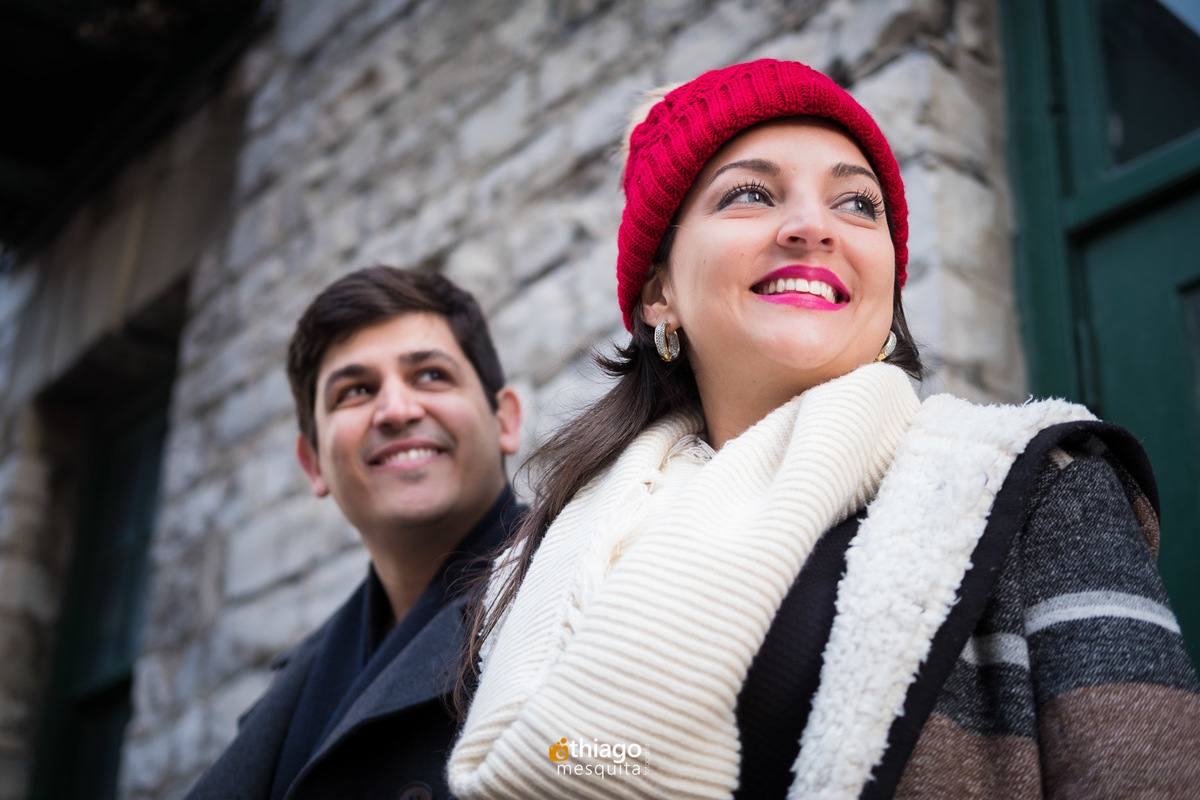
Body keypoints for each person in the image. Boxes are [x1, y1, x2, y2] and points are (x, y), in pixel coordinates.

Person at [446, 60, 1200, 799]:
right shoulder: (543, 559)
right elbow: (569, 756)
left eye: (857, 204)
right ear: (657, 291)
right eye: (750, 194)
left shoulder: (1036, 489)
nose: (813, 227)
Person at [187, 266, 523, 800]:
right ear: (313, 462)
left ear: (505, 419)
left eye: (431, 375)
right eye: (356, 390)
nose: (396, 410)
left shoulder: (590, 576)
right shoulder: (297, 685)